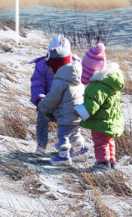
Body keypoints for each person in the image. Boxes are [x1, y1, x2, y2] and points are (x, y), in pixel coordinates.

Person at [38, 36, 86, 165]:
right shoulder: (76, 77)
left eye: (50, 68)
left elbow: (53, 98)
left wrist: (42, 105)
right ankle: (80, 149)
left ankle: (64, 157)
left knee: (63, 135)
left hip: (66, 116)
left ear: (55, 68)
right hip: (78, 114)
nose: (49, 71)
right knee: (75, 132)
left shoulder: (59, 81)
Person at [74, 45, 125, 171]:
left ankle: (102, 164)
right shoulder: (109, 82)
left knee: (100, 142)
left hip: (101, 121)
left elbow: (92, 105)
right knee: (109, 141)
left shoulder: (96, 87)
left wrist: (79, 111)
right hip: (110, 119)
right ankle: (111, 162)